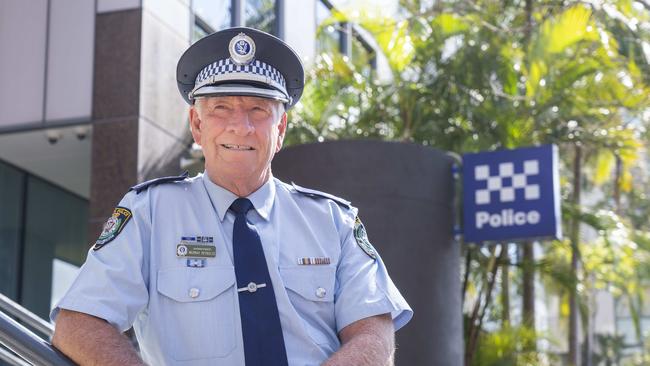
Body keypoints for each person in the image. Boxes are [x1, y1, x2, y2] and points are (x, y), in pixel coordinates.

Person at [50, 27, 412, 366]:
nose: (241, 126)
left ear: (280, 128)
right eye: (221, 108)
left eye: (258, 110)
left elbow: (374, 332)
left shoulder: (334, 222)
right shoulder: (149, 213)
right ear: (197, 124)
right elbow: (78, 323)